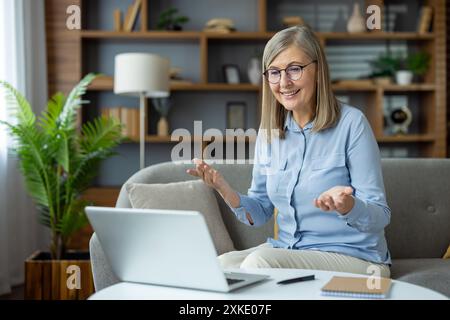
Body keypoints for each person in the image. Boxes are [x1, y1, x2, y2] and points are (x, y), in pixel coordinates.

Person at [187, 25, 391, 278]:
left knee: (259, 263)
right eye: (274, 72)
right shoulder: (270, 132)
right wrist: (223, 189)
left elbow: (380, 215)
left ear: (317, 70)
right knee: (218, 265)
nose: (284, 83)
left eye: (294, 69)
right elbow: (261, 212)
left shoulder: (352, 124)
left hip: (356, 259)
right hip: (290, 250)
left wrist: (348, 205)